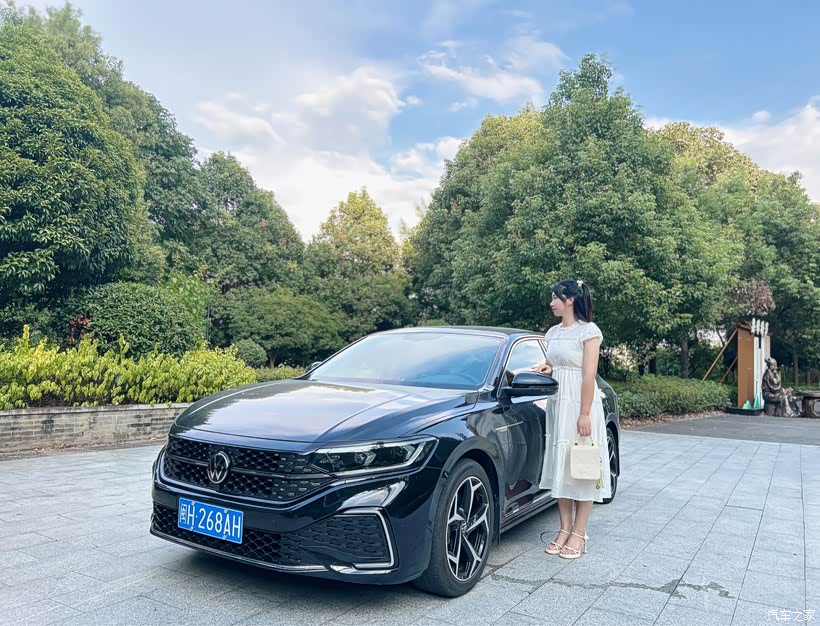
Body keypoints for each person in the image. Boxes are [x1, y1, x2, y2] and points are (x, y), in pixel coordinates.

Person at [531, 279, 612, 559]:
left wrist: (585, 414)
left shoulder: (589, 331)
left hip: (580, 403)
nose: (551, 302)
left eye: (555, 297)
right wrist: (548, 368)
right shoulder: (552, 332)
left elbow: (588, 375)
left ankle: (579, 532)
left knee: (583, 466)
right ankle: (564, 529)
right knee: (562, 465)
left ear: (570, 300)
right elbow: (556, 363)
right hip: (558, 404)